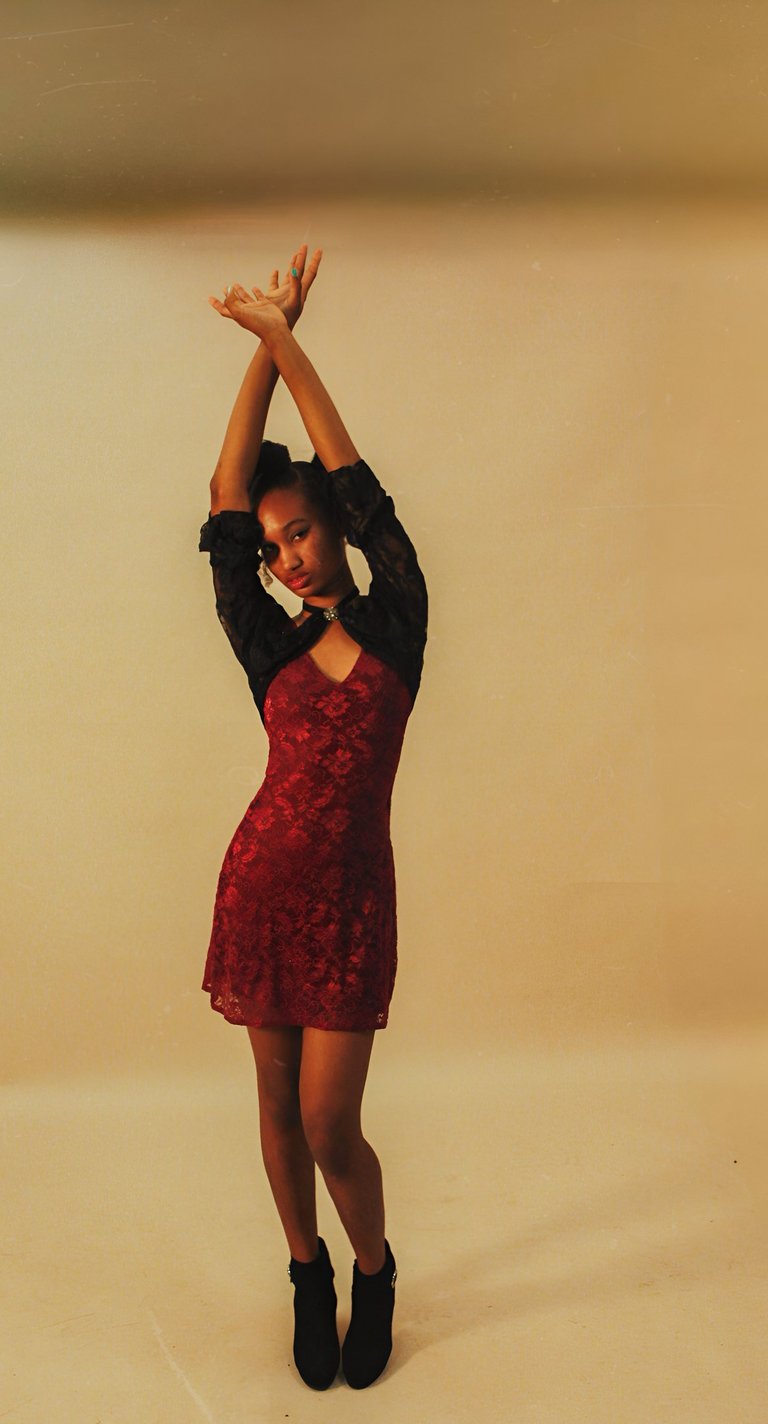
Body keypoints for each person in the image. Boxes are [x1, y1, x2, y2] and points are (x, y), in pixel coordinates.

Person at [197, 244, 428, 1391]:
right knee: (279, 1110)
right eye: (273, 544)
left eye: (299, 533)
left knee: (333, 1121)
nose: (284, 556)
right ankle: (307, 1272)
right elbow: (225, 498)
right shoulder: (267, 640)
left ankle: (374, 1268)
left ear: (334, 524)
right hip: (263, 890)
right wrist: (259, 355)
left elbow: (357, 476)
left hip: (351, 906)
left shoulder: (398, 618)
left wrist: (286, 340)